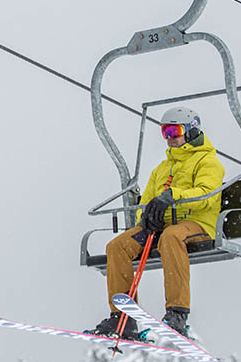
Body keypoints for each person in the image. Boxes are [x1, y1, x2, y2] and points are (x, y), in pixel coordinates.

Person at [88, 106, 224, 340]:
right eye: (165, 132)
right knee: (116, 247)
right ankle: (123, 318)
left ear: (192, 131)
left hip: (197, 224)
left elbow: (206, 195)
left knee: (172, 236)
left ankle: (177, 313)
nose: (170, 138)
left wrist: (174, 196)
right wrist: (147, 219)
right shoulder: (162, 168)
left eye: (174, 130)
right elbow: (149, 200)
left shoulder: (208, 162)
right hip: (162, 227)